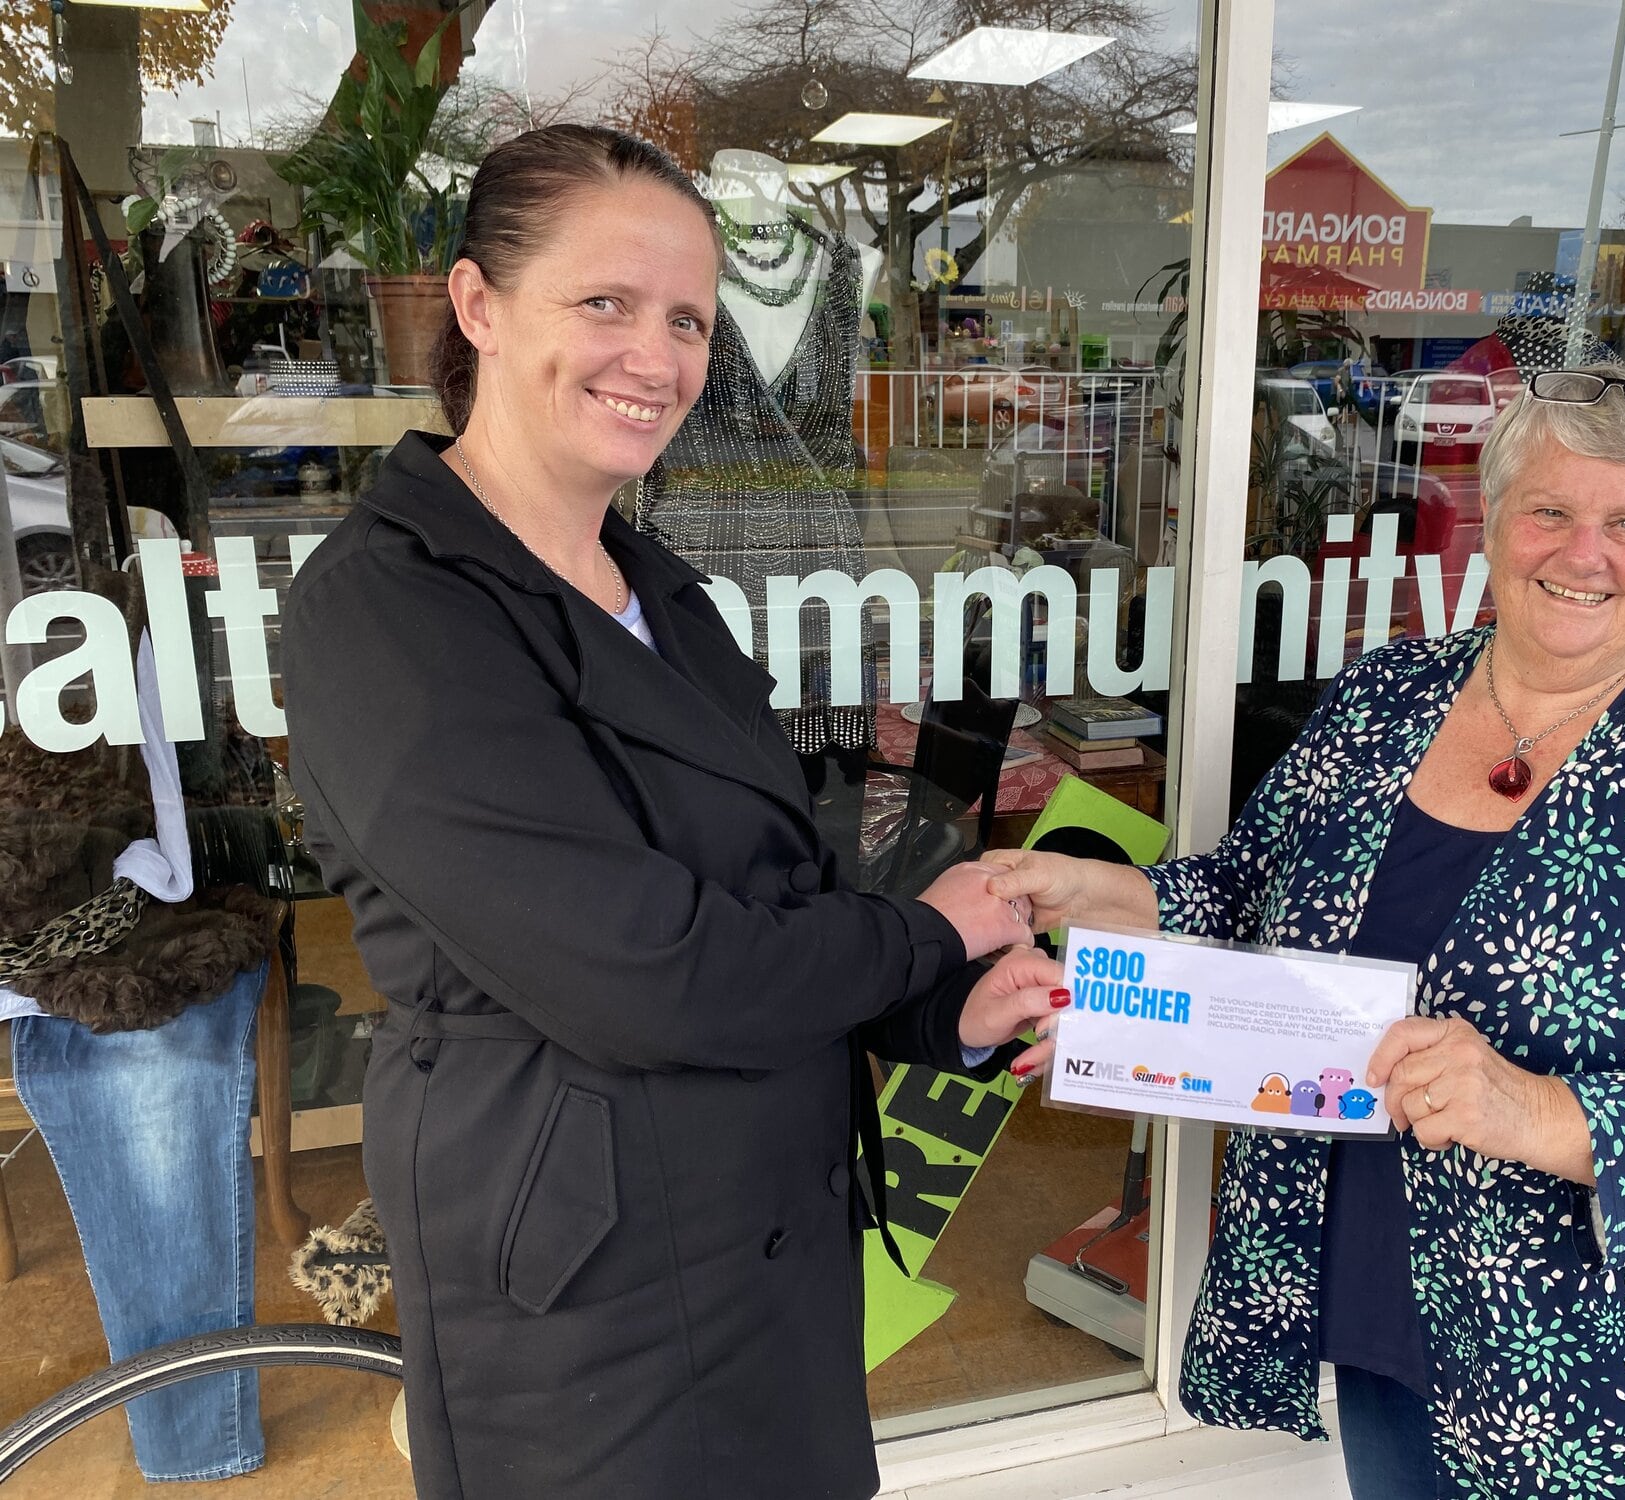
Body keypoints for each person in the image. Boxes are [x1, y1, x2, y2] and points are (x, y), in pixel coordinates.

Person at [280, 124, 1061, 1500]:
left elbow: (769, 898)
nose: (658, 356)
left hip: (763, 1245)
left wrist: (942, 1015)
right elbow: (652, 972)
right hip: (594, 1294)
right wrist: (926, 941)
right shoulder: (389, 614)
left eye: (689, 319)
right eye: (606, 303)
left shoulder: (660, 591)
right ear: (476, 304)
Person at [987, 362, 1625, 1499]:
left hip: (1598, 1365)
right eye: (1549, 511)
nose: (1582, 554)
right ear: (1492, 520)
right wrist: (1104, 897)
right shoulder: (1385, 700)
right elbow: (1253, 890)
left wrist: (1538, 1109)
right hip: (1379, 1292)